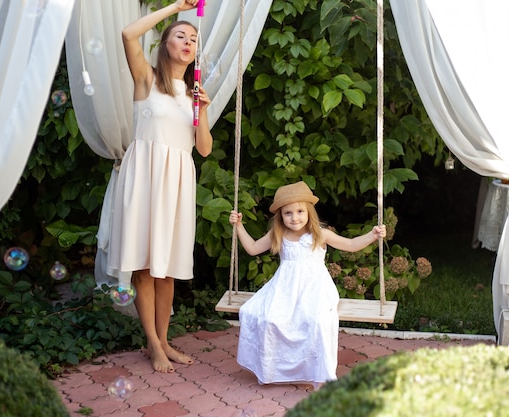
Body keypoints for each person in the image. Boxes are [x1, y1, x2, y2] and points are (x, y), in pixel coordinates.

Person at [107, 0, 213, 373]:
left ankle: (165, 341)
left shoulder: (194, 94)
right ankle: (152, 344)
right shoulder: (146, 79)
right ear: (166, 43)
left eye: (194, 38)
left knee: (166, 268)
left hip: (178, 181)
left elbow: (203, 148)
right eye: (180, 36)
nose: (188, 41)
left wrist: (204, 112)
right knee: (144, 267)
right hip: (146, 176)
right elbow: (127, 34)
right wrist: (175, 9)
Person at [229, 181, 387, 389]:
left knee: (318, 322)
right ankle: (271, 369)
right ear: (281, 216)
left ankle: (320, 374)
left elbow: (350, 245)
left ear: (309, 212)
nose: (295, 217)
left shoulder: (320, 234)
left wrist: (372, 235)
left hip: (315, 290)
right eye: (288, 213)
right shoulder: (278, 235)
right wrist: (238, 226)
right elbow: (252, 248)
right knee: (267, 318)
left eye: (300, 211)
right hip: (284, 289)